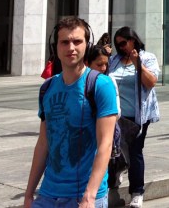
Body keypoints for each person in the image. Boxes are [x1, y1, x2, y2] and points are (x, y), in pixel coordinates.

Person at [24, 17, 118, 208]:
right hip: (48, 194)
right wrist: (28, 194)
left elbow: (105, 144)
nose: (71, 47)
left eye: (77, 41)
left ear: (87, 45)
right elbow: (43, 143)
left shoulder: (100, 85)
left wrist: (89, 196)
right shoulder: (47, 88)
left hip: (84, 196)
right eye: (65, 42)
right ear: (55, 47)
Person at [108, 27, 160, 208]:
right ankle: (114, 178)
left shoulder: (148, 58)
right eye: (118, 44)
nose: (121, 47)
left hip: (138, 116)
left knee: (135, 151)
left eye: (124, 43)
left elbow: (151, 82)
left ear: (133, 40)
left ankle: (137, 192)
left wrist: (138, 64)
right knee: (113, 150)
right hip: (115, 116)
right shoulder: (114, 60)